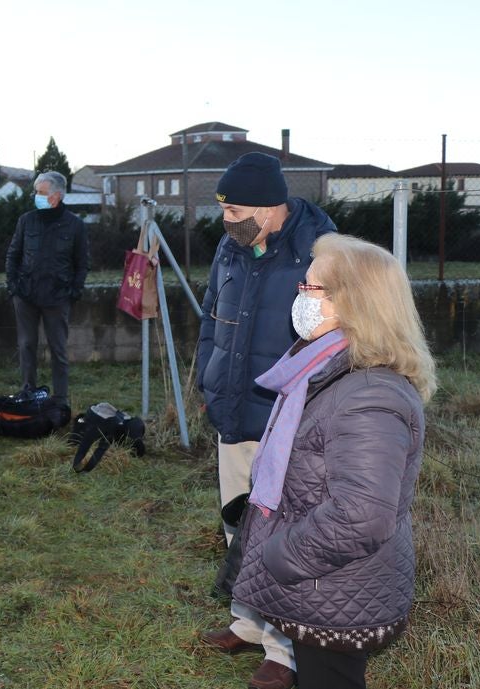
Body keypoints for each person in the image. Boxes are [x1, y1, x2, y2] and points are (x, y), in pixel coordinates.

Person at [230, 233, 434, 689]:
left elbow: (362, 516)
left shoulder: (369, 396)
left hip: (334, 584)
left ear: (354, 303)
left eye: (311, 289)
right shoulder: (325, 369)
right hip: (327, 582)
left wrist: (281, 555)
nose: (299, 297)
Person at [196, 152, 336, 689]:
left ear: (270, 207)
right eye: (225, 210)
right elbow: (211, 318)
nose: (228, 219)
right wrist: (210, 385)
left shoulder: (320, 253)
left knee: (282, 536)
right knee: (237, 520)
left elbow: (331, 337)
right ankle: (248, 624)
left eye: (235, 210)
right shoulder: (230, 249)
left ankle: (284, 652)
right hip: (232, 409)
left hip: (288, 417)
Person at [5, 170, 89, 409]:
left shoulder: (75, 225)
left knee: (58, 350)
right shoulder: (26, 220)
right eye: (36, 192)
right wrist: (14, 287)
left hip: (58, 298)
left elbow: (82, 263)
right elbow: (13, 255)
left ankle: (60, 400)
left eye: (41, 192)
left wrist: (74, 292)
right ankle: (27, 392)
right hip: (26, 296)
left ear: (57, 195)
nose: (36, 196)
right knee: (26, 345)